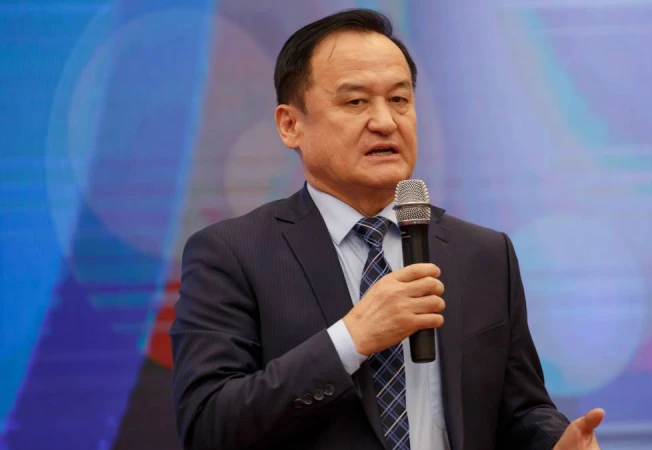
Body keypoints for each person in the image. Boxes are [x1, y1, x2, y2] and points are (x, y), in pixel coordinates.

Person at [169, 8, 604, 450]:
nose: (385, 121)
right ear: (290, 124)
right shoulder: (233, 254)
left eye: (399, 99)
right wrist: (351, 339)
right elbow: (208, 425)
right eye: (355, 102)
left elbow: (521, 410)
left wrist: (555, 442)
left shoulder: (484, 254)